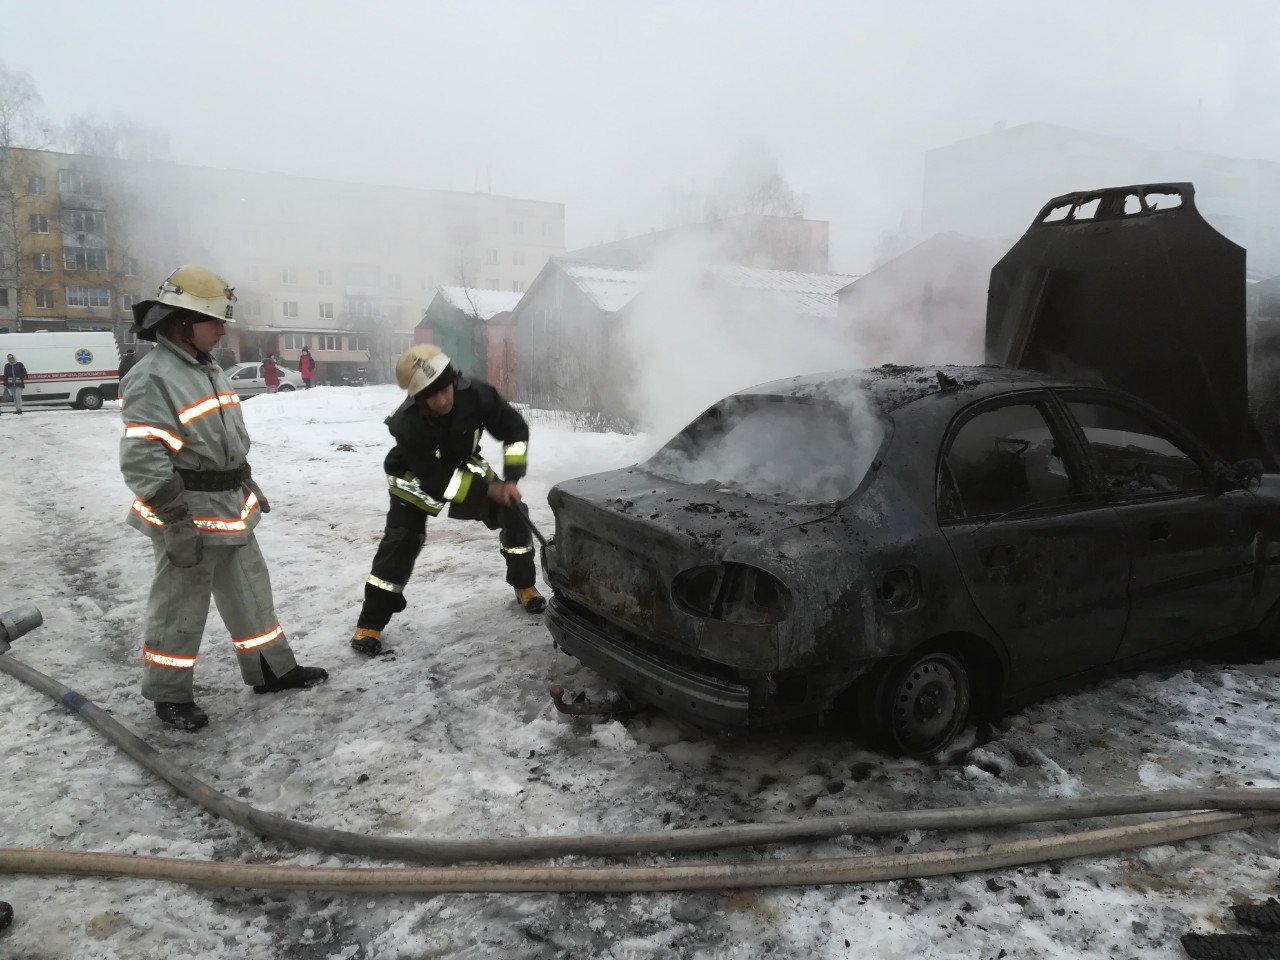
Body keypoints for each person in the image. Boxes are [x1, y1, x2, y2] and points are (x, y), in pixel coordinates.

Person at [120, 265, 328, 730]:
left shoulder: (207, 368)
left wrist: (244, 478)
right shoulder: (152, 376)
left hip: (229, 507)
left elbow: (223, 437)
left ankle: (272, 669)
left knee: (252, 593)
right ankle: (169, 694)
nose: (222, 329)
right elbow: (143, 459)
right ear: (180, 321)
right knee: (180, 603)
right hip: (188, 515)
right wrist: (175, 521)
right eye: (214, 320)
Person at [350, 344, 544, 657]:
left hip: (460, 463)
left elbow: (515, 430)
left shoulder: (477, 395)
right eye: (431, 395)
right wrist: (487, 490)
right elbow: (438, 481)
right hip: (415, 477)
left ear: (453, 379)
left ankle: (524, 585)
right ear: (417, 397)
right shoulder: (407, 423)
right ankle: (370, 623)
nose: (442, 400)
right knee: (400, 542)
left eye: (445, 390)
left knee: (515, 511)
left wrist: (510, 480)